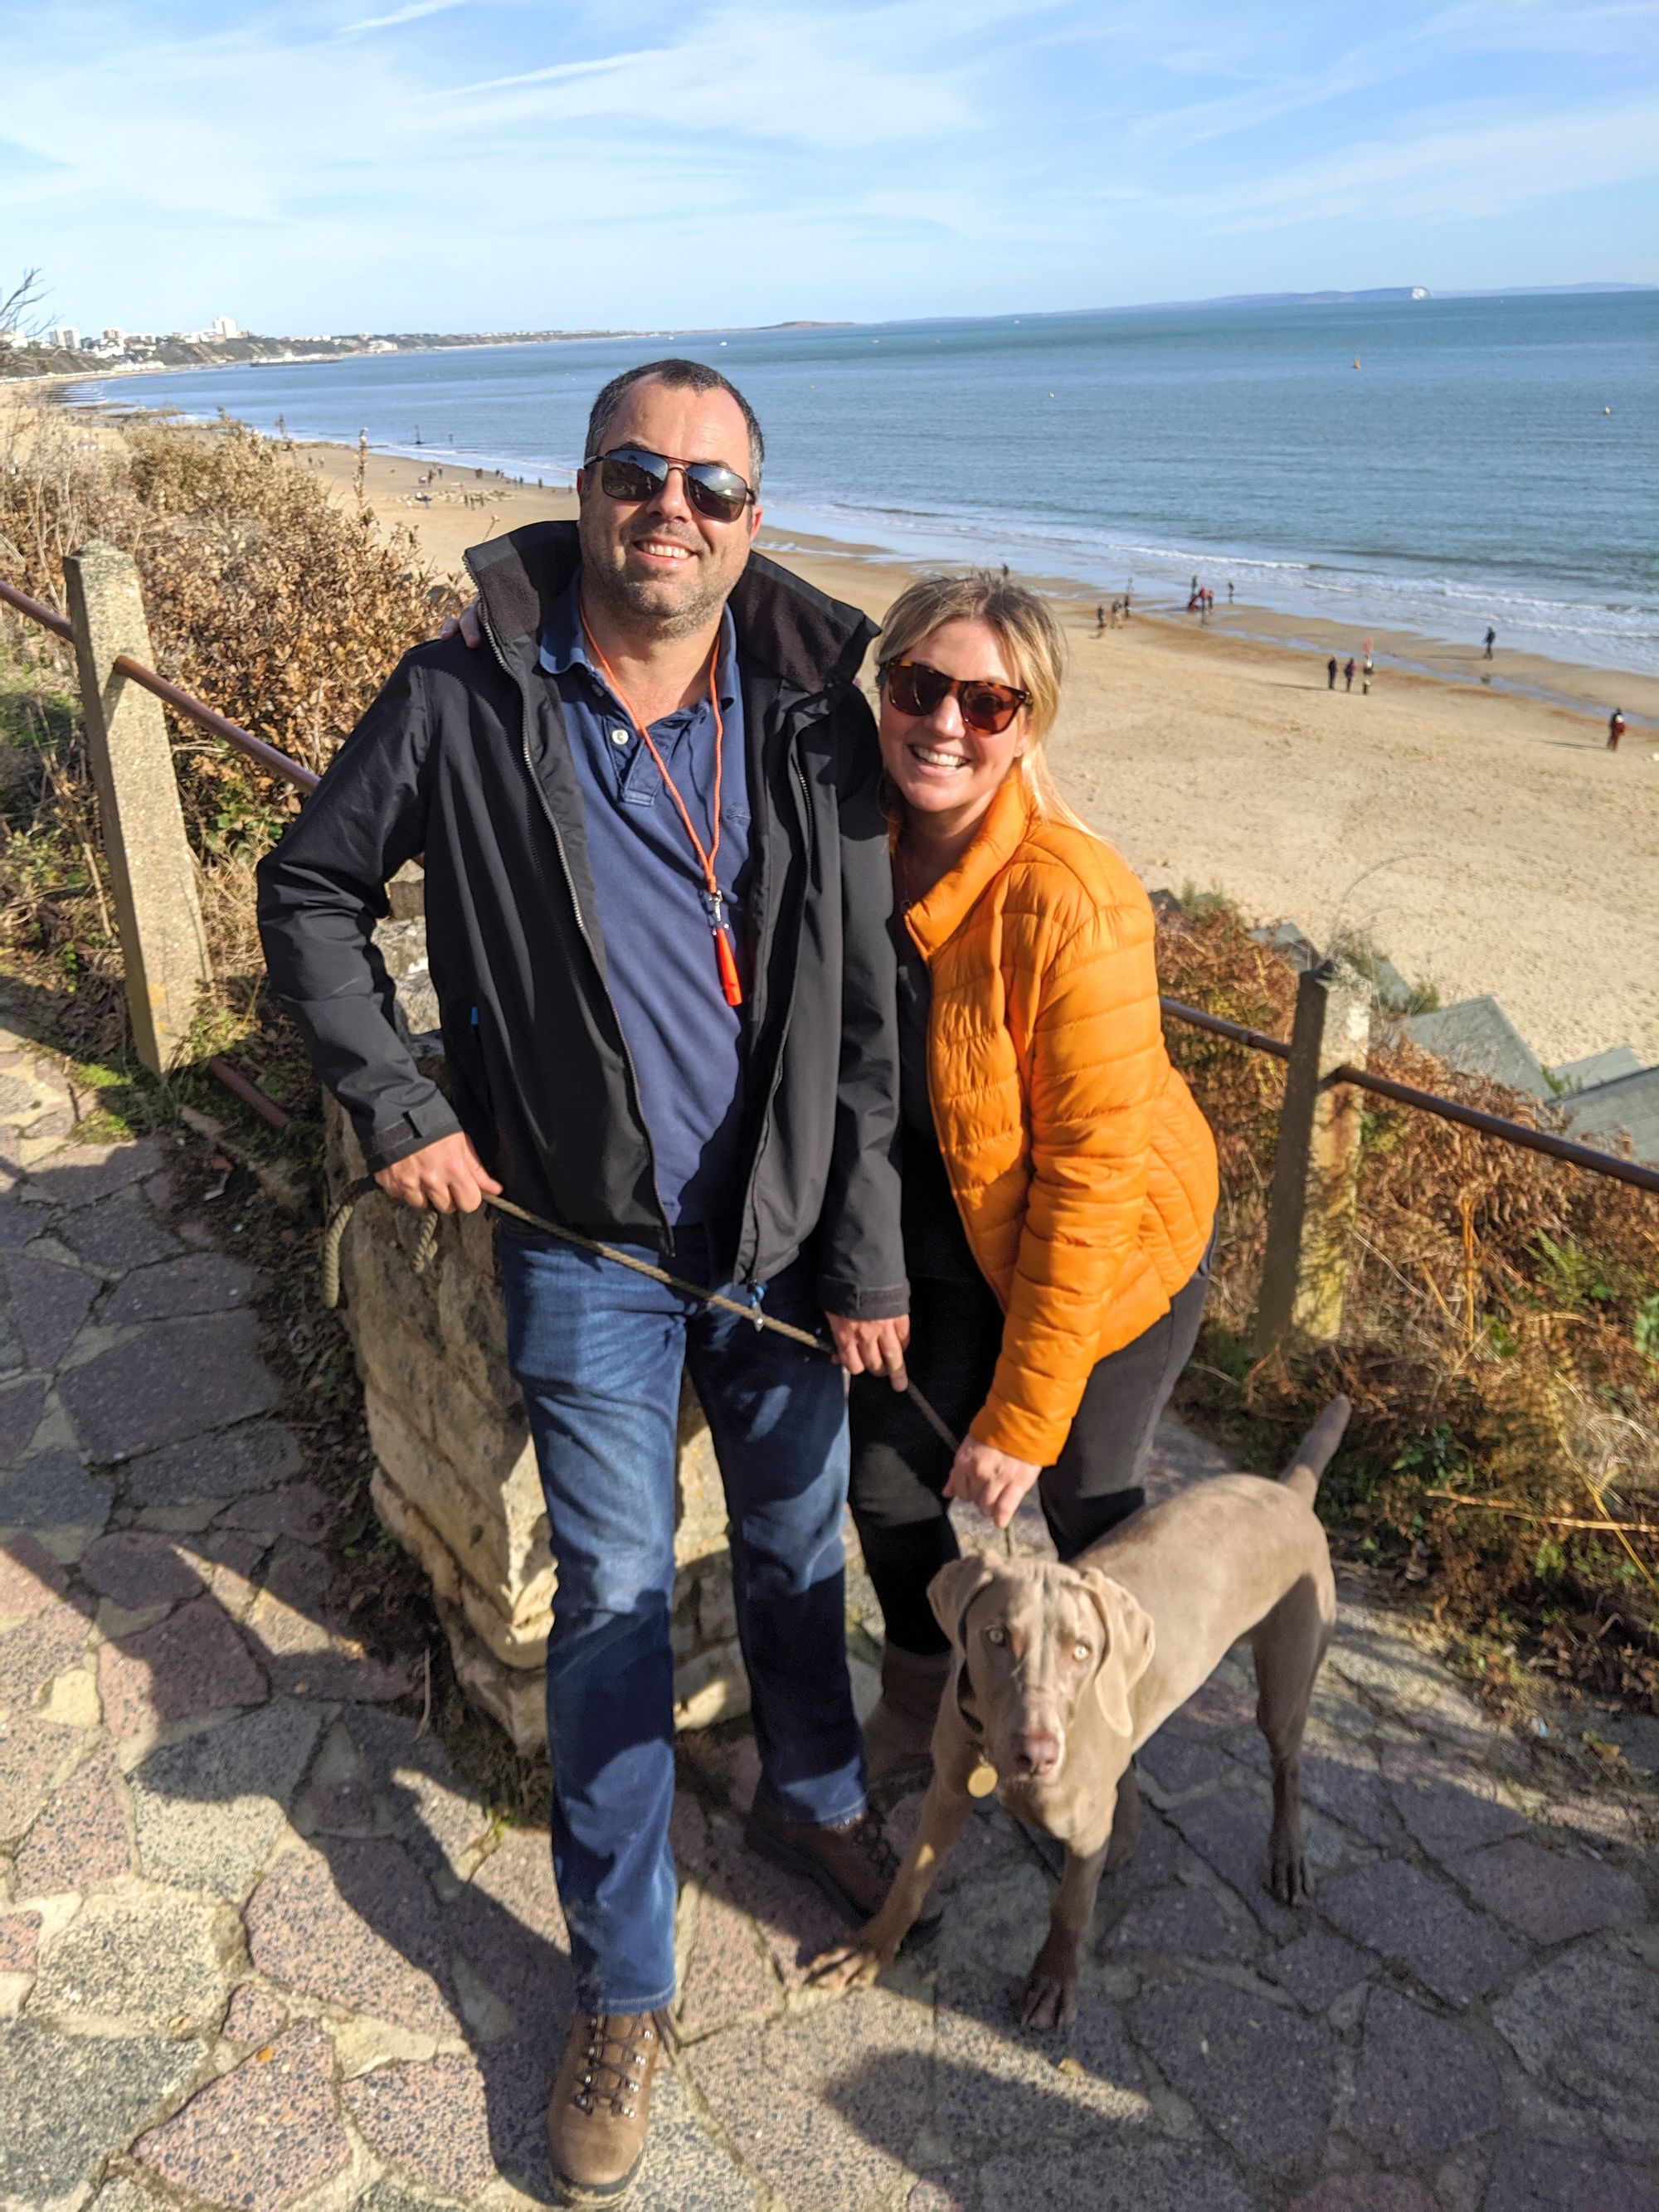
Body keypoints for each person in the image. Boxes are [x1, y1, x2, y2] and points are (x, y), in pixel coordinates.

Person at [257, 359, 912, 2202]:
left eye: (715, 487)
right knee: (617, 1594)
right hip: (585, 1244)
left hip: (777, 1242)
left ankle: (818, 1790)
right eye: (641, 472)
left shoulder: (809, 713)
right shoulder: (465, 691)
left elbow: (860, 1020)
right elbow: (307, 887)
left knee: (796, 1550)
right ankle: (623, 1983)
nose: (674, 511)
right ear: (588, 484)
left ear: (753, 522)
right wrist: (396, 1100)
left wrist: (859, 1249)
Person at [844, 573, 1219, 1782]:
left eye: (989, 704)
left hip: (1112, 1256)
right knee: (890, 1483)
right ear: (883, 689)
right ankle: (921, 1701)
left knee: (1082, 1496)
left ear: (1029, 725)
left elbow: (1092, 1191)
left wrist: (1020, 1418)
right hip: (956, 1231)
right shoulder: (858, 840)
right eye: (919, 686)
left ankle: (1100, 1725)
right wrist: (524, 617)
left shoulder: (1073, 901)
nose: (946, 722)